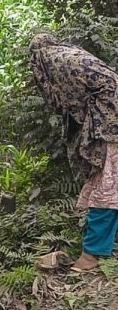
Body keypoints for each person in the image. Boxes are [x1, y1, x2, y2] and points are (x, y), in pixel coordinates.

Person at [28, 34, 118, 272]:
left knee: (104, 191)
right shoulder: (70, 55)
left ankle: (91, 256)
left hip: (109, 130)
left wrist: (95, 122)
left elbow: (68, 101)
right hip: (111, 125)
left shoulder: (51, 60)